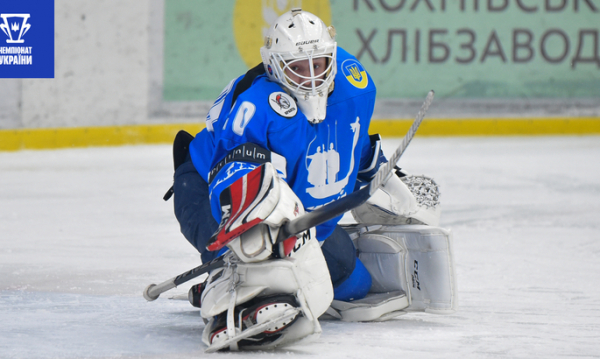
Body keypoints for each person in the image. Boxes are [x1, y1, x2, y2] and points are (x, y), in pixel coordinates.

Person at [168, 8, 449, 352]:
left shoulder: (354, 84)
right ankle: (227, 281)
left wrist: (378, 172)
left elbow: (348, 139)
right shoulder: (258, 107)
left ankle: (239, 280)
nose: (312, 77)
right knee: (261, 263)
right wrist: (261, 230)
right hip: (213, 193)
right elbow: (232, 181)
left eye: (318, 64)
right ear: (273, 67)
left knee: (352, 280)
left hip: (301, 221)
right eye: (297, 68)